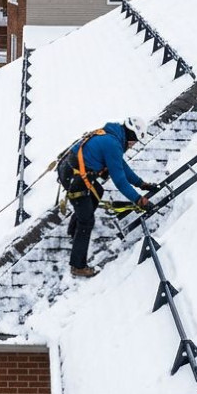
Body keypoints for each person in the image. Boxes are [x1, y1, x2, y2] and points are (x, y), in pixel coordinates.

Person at [56, 117, 160, 278]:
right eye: (134, 142)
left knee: (97, 191)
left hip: (72, 171)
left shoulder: (111, 136)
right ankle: (78, 266)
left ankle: (73, 231)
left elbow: (121, 166)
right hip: (75, 178)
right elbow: (119, 180)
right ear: (131, 136)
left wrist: (141, 184)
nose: (132, 146)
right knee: (87, 220)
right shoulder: (113, 144)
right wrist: (139, 200)